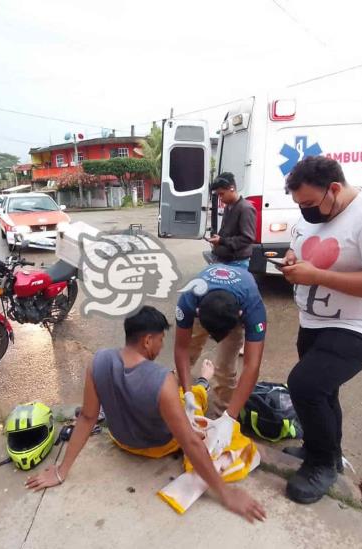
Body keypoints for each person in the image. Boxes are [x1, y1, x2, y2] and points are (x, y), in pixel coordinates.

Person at [25, 306, 265, 523]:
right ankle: (203, 382)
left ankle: (202, 382)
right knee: (196, 408)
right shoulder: (162, 380)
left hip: (121, 440)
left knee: (177, 395)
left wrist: (61, 470)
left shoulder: (98, 361)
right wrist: (225, 493)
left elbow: (87, 418)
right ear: (148, 340)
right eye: (161, 340)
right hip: (158, 447)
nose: (162, 347)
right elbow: (190, 442)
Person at [279, 156, 362, 504]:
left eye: (309, 203)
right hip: (313, 322)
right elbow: (297, 247)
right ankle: (322, 449)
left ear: (334, 188)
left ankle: (323, 465)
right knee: (324, 392)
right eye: (299, 205)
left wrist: (319, 276)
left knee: (305, 386)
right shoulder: (311, 215)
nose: (304, 210)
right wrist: (291, 260)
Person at [174, 264, 266, 457]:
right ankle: (177, 402)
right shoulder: (189, 299)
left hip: (232, 312)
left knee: (226, 368)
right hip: (206, 311)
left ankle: (221, 419)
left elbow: (252, 365)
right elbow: (181, 348)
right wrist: (189, 394)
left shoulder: (253, 308)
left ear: (241, 315)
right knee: (189, 354)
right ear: (197, 311)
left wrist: (230, 417)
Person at [204, 172, 256, 268]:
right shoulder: (228, 207)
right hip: (225, 259)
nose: (220, 198)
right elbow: (227, 231)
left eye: (222, 194)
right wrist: (217, 239)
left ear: (232, 188)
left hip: (238, 262)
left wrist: (222, 241)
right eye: (218, 195)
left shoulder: (246, 208)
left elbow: (247, 239)